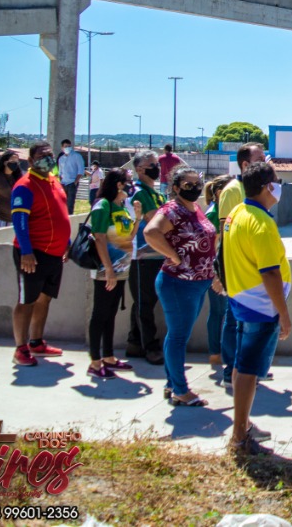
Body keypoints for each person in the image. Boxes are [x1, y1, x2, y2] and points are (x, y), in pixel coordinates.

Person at [223, 161, 292, 452]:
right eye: (276, 181)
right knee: (248, 370)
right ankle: (240, 435)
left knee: (241, 366)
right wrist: (284, 315)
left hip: (243, 300)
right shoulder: (261, 223)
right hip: (261, 307)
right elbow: (270, 273)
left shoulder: (237, 213)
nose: (279, 186)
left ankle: (242, 424)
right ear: (266, 187)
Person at [145, 166, 218, 407]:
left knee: (177, 335)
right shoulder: (172, 210)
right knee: (178, 337)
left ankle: (172, 384)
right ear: (175, 188)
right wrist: (173, 256)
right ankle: (180, 389)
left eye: (197, 183)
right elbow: (151, 232)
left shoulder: (195, 208)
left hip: (197, 283)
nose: (195, 188)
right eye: (188, 185)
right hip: (179, 283)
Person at [10, 141, 71, 367]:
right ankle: (20, 348)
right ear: (30, 161)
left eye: (50, 155)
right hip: (33, 254)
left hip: (54, 253)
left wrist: (66, 241)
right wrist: (26, 251)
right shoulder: (25, 186)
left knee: (44, 298)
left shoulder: (54, 182)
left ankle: (36, 342)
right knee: (27, 300)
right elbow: (19, 220)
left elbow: (60, 213)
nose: (48, 159)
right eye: (42, 156)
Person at [214, 143, 269, 387]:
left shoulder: (257, 190)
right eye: (260, 159)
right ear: (245, 164)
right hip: (237, 268)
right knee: (233, 320)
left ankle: (248, 367)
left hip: (253, 268)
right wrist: (222, 272)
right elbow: (225, 234)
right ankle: (231, 370)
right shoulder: (232, 191)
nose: (265, 162)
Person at [85, 168, 135, 379]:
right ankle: (95, 362)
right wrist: (108, 269)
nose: (130, 185)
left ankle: (108, 356)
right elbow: (99, 237)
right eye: (127, 182)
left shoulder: (120, 206)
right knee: (100, 314)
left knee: (111, 313)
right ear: (118, 184)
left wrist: (139, 217)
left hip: (121, 269)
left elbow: (128, 236)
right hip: (106, 270)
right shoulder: (103, 205)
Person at [126, 151, 166, 365]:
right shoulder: (139, 193)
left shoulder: (155, 193)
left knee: (144, 302)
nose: (157, 168)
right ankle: (150, 346)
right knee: (144, 303)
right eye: (152, 165)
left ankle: (134, 342)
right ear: (139, 169)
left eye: (157, 164)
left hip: (156, 253)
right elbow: (156, 221)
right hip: (142, 255)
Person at [202, 174, 234, 369]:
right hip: (218, 272)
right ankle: (215, 352)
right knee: (219, 311)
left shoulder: (219, 212)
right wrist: (217, 274)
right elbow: (213, 247)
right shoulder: (215, 214)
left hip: (222, 270)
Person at [57, 139, 85, 214]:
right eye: (65, 146)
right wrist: (60, 180)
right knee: (62, 202)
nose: (67, 148)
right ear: (62, 148)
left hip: (72, 182)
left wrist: (76, 181)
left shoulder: (77, 156)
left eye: (69, 146)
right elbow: (60, 172)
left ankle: (69, 217)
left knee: (70, 203)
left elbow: (81, 170)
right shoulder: (61, 159)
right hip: (63, 183)